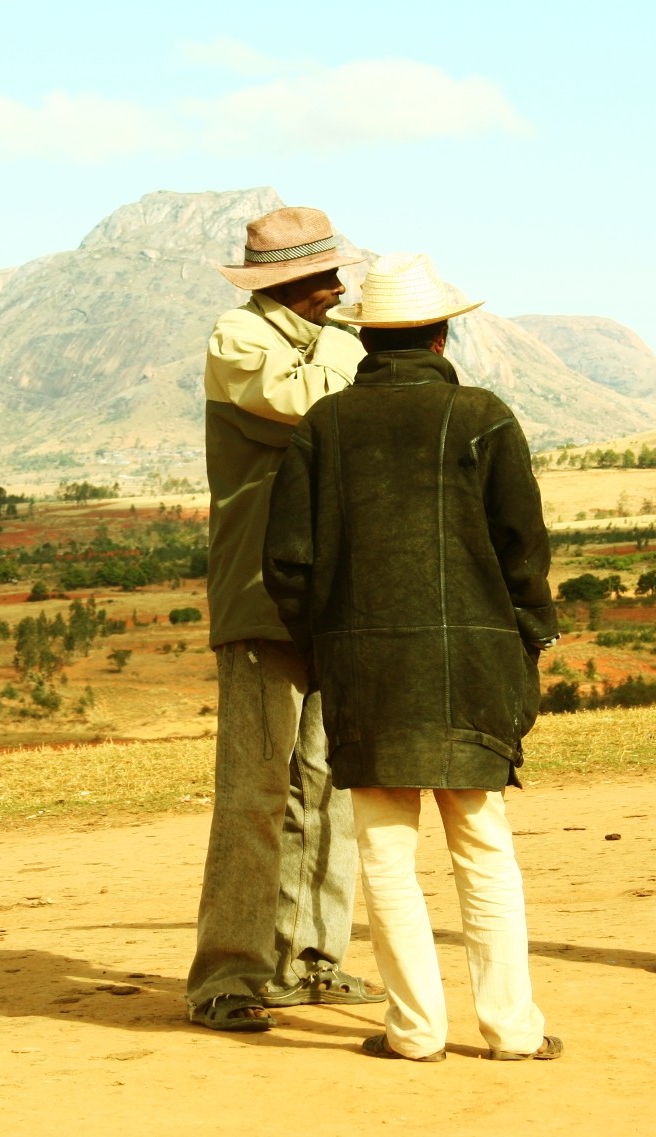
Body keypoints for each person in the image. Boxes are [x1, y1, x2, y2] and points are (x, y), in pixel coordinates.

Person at [263, 253, 562, 1062]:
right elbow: (521, 549)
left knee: (387, 855)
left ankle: (416, 1030)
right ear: (440, 334)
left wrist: (327, 647)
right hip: (474, 663)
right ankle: (510, 1029)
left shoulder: (325, 425)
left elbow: (286, 563)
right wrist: (533, 630)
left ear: (366, 341)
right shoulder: (483, 416)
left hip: (367, 670)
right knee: (482, 845)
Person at [186, 206, 385, 1032]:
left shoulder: (337, 343)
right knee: (256, 791)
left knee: (326, 784)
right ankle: (227, 975)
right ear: (283, 284)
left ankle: (308, 959)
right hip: (261, 593)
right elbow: (319, 409)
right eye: (324, 279)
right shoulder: (239, 342)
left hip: (335, 594)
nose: (338, 291)